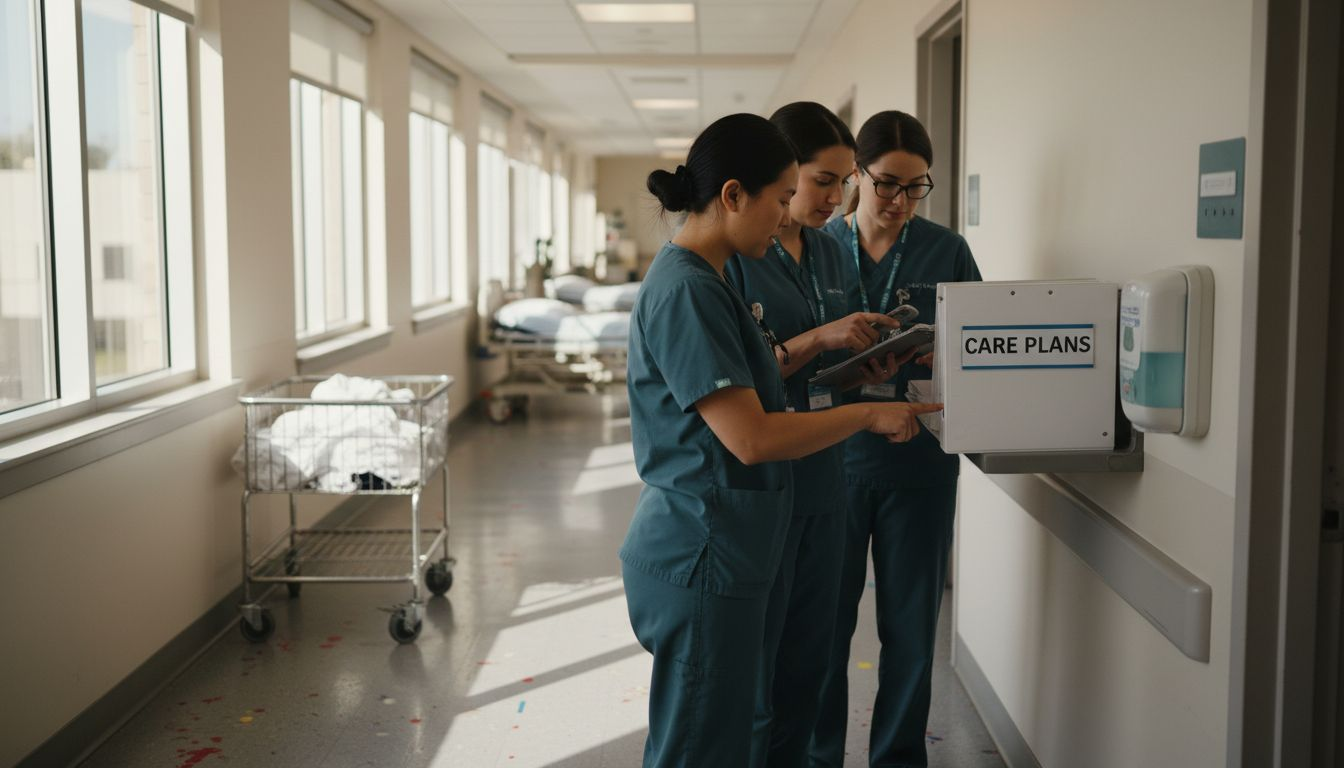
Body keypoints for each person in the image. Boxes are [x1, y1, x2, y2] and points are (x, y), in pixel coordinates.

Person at [620, 112, 942, 768]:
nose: (788, 214)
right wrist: (866, 417)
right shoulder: (688, 290)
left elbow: (761, 382)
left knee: (737, 730)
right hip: (701, 543)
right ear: (734, 195)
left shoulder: (711, 282)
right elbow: (752, 438)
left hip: (736, 533)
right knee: (699, 747)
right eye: (779, 198)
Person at [723, 101, 901, 768]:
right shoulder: (737, 259)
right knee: (759, 672)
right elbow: (736, 376)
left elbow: (825, 375)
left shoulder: (829, 252)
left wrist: (863, 367)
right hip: (765, 481)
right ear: (781, 172)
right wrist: (819, 337)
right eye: (821, 179)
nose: (837, 196)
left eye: (844, 180)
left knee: (814, 659)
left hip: (827, 478)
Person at [811, 110, 983, 768]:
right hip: (834, 459)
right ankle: (819, 754)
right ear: (857, 173)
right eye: (886, 185)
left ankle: (898, 758)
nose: (900, 202)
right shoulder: (820, 246)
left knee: (911, 632)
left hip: (920, 462)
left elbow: (978, 351)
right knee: (824, 630)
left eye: (916, 188)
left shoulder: (947, 252)